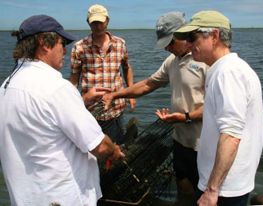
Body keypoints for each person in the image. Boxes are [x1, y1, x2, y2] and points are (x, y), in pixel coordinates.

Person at [0, 15, 124, 206]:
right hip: (65, 199)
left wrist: (80, 102)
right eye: (62, 43)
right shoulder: (56, 87)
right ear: (44, 44)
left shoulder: (7, 86)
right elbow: (100, 146)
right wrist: (115, 151)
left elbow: (40, 121)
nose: (65, 50)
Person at [103, 11, 207, 205]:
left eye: (170, 42)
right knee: (183, 186)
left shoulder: (205, 61)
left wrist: (185, 117)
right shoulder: (172, 61)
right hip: (180, 140)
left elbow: (216, 107)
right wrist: (116, 94)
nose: (167, 48)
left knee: (206, 194)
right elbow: (148, 84)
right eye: (164, 44)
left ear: (184, 34)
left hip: (204, 144)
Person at [175, 10, 263, 206]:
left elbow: (231, 134)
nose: (188, 45)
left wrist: (212, 190)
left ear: (214, 36)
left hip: (224, 189)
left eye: (192, 37)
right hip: (227, 184)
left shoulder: (227, 73)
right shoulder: (227, 69)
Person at [70, 4, 136, 144]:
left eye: (100, 22)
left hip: (116, 106)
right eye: (94, 23)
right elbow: (74, 79)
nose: (98, 26)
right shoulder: (79, 47)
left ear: (107, 21)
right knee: (93, 151)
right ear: (88, 22)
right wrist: (72, 103)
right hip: (91, 111)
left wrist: (131, 92)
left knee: (116, 145)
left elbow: (127, 68)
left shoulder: (120, 44)